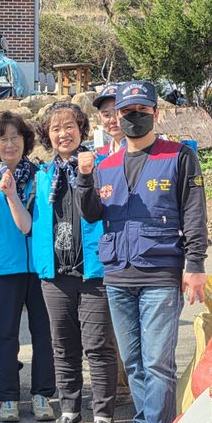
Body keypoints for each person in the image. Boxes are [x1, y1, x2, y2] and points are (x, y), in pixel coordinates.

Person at [77, 80, 208, 423]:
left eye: (141, 111)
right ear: (116, 117)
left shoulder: (179, 156)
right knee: (133, 361)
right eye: (126, 112)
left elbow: (195, 213)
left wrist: (195, 265)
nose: (133, 118)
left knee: (157, 360)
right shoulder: (107, 164)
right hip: (118, 273)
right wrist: (85, 178)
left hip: (160, 271)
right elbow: (90, 214)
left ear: (155, 113)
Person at [25, 101, 117, 423]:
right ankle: (69, 409)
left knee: (98, 345)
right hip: (54, 273)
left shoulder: (100, 165)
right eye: (55, 129)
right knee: (62, 345)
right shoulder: (42, 175)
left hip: (93, 270)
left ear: (81, 129)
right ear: (47, 136)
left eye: (69, 127)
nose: (63, 134)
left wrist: (87, 173)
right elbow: (29, 221)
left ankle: (103, 413)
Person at [0, 111, 55, 423]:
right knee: (5, 334)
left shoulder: (42, 175)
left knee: (43, 332)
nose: (9, 143)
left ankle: (43, 394)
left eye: (14, 137)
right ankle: (7, 397)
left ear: (25, 141)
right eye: (2, 138)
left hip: (42, 265)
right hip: (4, 266)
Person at [93, 84, 132, 405]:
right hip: (108, 255)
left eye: (117, 111)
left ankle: (143, 392)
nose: (112, 118)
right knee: (111, 325)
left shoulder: (153, 152)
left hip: (145, 256)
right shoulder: (97, 158)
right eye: (106, 114)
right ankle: (120, 387)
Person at [92, 83, 125, 157]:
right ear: (100, 118)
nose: (113, 120)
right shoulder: (100, 155)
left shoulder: (142, 150)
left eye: (118, 113)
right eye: (106, 115)